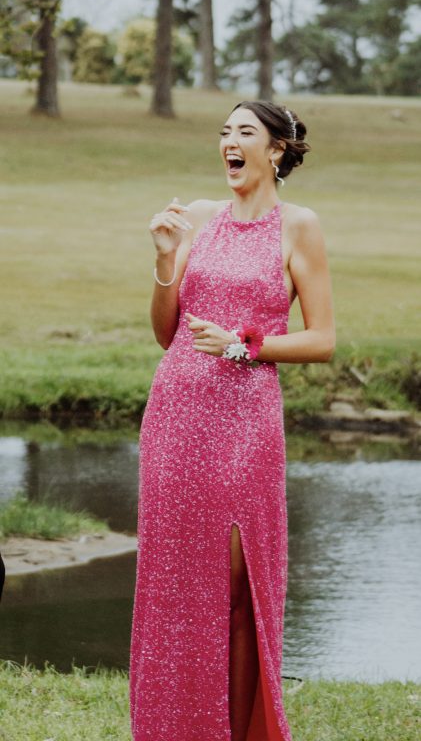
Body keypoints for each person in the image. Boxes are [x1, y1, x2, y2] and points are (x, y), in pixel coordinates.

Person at [129, 99, 335, 741]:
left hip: (246, 422)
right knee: (175, 582)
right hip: (176, 415)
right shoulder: (197, 215)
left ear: (276, 149)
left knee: (238, 583)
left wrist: (244, 346)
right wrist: (166, 259)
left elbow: (323, 339)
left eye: (245, 132)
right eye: (224, 132)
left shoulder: (298, 226)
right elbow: (166, 332)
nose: (230, 142)